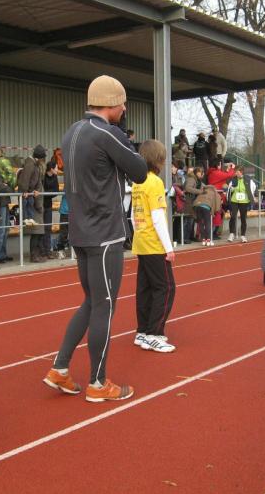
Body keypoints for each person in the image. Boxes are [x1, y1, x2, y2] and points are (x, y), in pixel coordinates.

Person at [43, 75, 147, 403]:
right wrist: (126, 141)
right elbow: (140, 171)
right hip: (104, 233)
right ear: (111, 103)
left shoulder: (71, 131)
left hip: (80, 230)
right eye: (122, 103)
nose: (125, 109)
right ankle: (98, 383)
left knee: (91, 302)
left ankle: (60, 368)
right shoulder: (107, 133)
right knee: (104, 305)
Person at [131, 139, 176, 353]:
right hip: (154, 243)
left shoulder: (137, 182)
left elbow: (133, 214)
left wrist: (137, 234)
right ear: (158, 159)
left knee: (145, 288)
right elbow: (158, 217)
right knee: (166, 288)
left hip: (141, 240)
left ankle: (142, 331)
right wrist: (169, 247)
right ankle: (154, 334)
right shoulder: (155, 182)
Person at [0, 148, 16, 264]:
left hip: (5, 201)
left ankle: (2, 253)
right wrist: (7, 187)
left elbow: (7, 183)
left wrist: (7, 186)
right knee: (0, 229)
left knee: (6, 229)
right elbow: (0, 186)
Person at [226, 164, 257, 243]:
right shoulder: (233, 180)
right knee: (233, 217)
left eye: (237, 172)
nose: (236, 173)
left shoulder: (248, 179)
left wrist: (253, 196)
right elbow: (229, 189)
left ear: (241, 172)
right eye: (235, 172)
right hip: (234, 201)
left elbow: (254, 187)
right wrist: (232, 189)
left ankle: (243, 235)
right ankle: (231, 234)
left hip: (244, 201)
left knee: (243, 218)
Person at [17, 145, 44, 230]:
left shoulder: (36, 165)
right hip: (25, 190)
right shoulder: (30, 164)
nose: (42, 160)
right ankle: (25, 219)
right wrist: (24, 190)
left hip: (31, 190)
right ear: (38, 157)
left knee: (30, 203)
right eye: (42, 158)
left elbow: (38, 179)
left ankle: (30, 218)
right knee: (25, 204)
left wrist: (37, 190)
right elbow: (25, 177)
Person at [42, 160, 60, 259]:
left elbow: (56, 191)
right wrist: (48, 193)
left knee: (48, 228)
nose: (58, 169)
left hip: (48, 205)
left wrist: (46, 194)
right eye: (56, 168)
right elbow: (41, 190)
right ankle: (41, 251)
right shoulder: (43, 176)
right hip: (40, 205)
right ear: (51, 169)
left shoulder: (55, 177)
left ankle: (48, 251)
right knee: (40, 228)